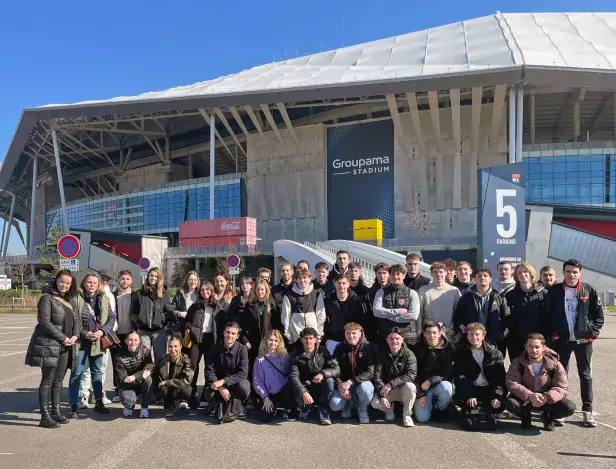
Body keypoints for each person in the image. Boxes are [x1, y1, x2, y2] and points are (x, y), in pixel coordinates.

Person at [546, 259, 604, 427]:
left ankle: (588, 411)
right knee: (558, 376)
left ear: (580, 273)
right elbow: (547, 316)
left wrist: (592, 335)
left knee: (585, 375)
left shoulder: (588, 290)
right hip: (561, 340)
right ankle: (560, 410)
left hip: (583, 341)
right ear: (563, 272)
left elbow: (598, 316)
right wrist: (553, 336)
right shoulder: (555, 291)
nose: (571, 274)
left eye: (574, 272)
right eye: (568, 271)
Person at [26, 270, 79, 428]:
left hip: (65, 347)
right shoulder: (46, 298)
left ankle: (55, 412)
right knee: (47, 381)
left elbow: (76, 322)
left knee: (58, 381)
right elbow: (45, 322)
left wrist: (75, 336)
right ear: (56, 280)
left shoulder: (69, 302)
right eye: (62, 281)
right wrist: (63, 338)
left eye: (68, 283)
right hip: (49, 346)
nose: (64, 285)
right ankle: (45, 416)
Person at [69, 273, 116, 418]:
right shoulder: (76, 299)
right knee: (77, 373)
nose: (92, 285)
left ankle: (99, 403)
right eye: (89, 282)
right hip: (81, 342)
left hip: (97, 342)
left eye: (95, 283)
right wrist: (84, 333)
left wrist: (102, 332)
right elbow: (73, 320)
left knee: (97, 373)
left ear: (99, 284)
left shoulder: (104, 298)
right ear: (83, 283)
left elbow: (111, 317)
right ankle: (74, 406)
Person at [505, 333, 576, 431]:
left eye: (537, 347)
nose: (534, 350)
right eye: (530, 346)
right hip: (526, 398)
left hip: (547, 399)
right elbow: (512, 382)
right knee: (510, 403)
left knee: (569, 407)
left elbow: (562, 387)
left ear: (543, 348)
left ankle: (548, 416)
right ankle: (525, 415)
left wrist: (546, 397)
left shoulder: (555, 364)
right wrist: (530, 395)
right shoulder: (518, 362)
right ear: (526, 347)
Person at [453, 268, 511, 355]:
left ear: (490, 279)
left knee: (495, 367)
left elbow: (507, 318)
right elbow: (458, 318)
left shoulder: (499, 297)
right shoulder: (466, 298)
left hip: (495, 341)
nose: (482, 278)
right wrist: (465, 332)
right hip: (472, 341)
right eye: (479, 276)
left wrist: (502, 334)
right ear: (475, 279)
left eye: (485, 276)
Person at [454, 323, 506, 417]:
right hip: (472, 387)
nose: (474, 337)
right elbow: (459, 375)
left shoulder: (494, 353)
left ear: (483, 335)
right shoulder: (462, 352)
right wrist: (469, 394)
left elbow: (500, 377)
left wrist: (496, 396)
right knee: (465, 404)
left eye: (477, 334)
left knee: (498, 406)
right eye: (471, 334)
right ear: (467, 336)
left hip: (488, 388)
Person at [289, 327, 339, 425]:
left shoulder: (323, 352)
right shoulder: (295, 354)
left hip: (320, 385)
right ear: (302, 340)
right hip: (305, 386)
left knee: (330, 381)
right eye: (306, 338)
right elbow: (293, 375)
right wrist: (303, 392)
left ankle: (323, 409)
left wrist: (323, 374)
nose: (308, 341)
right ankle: (306, 406)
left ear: (316, 339)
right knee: (293, 385)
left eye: (311, 338)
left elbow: (336, 369)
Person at [371, 326, 418, 427]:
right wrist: (382, 396)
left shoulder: (409, 354)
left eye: (397, 339)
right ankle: (389, 407)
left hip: (402, 389)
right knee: (374, 403)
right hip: (387, 389)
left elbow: (411, 375)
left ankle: (407, 415)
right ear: (387, 340)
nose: (394, 341)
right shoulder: (382, 354)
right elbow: (377, 376)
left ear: (402, 340)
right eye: (391, 339)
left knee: (411, 386)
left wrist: (391, 384)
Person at [204, 322, 251, 423]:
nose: (230, 335)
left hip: (235, 383)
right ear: (224, 333)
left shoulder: (242, 350)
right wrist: (220, 387)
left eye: (233, 333)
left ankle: (240, 405)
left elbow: (243, 373)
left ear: (237, 336)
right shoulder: (213, 348)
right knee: (208, 393)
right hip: (218, 384)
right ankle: (216, 403)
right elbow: (209, 371)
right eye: (228, 332)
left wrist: (224, 381)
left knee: (245, 387)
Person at [240, 279, 276, 403]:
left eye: (262, 289)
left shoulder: (272, 305)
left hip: (267, 344)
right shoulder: (249, 306)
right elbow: (242, 327)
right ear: (254, 291)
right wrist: (245, 340)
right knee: (253, 369)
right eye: (258, 289)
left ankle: (267, 395)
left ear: (266, 290)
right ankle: (254, 395)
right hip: (253, 344)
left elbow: (276, 326)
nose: (260, 292)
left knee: (267, 369)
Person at [330, 323, 375, 424]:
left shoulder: (367, 347)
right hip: (344, 384)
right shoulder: (340, 347)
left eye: (354, 333)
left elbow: (371, 372)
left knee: (366, 390)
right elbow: (334, 369)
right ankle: (348, 405)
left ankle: (362, 410)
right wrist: (340, 385)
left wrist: (351, 381)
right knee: (335, 405)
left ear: (360, 333)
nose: (351, 336)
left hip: (361, 383)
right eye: (348, 333)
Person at [183, 281, 217, 414]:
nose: (205, 293)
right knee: (193, 367)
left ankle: (206, 397)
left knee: (209, 368)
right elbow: (186, 321)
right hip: (196, 339)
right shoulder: (195, 306)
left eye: (207, 290)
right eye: (202, 290)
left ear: (211, 291)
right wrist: (191, 329)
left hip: (210, 339)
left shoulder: (216, 306)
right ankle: (189, 396)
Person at [413, 321, 455, 423]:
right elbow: (413, 373)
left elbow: (449, 372)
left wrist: (431, 381)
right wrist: (420, 394)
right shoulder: (417, 348)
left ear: (440, 333)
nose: (432, 336)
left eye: (434, 333)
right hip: (422, 387)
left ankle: (441, 409)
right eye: (428, 332)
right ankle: (428, 406)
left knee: (447, 388)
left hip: (438, 384)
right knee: (422, 419)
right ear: (424, 334)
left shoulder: (448, 348)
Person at [505, 263, 547, 360]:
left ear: (531, 274)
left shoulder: (543, 293)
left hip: (538, 341)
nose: (522, 274)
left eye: (525, 271)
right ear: (516, 276)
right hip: (516, 340)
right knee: (519, 369)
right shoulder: (510, 296)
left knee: (538, 370)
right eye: (519, 272)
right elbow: (507, 318)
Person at [130, 267, 174, 361]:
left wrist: (161, 320)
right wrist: (137, 324)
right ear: (148, 276)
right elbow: (133, 312)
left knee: (161, 359)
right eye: (151, 275)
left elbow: (169, 312)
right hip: (143, 332)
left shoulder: (164, 294)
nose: (153, 278)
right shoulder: (139, 294)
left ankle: (160, 376)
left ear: (159, 278)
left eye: (156, 276)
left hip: (159, 331)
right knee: (145, 359)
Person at [373, 264, 420, 346]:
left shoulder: (412, 293)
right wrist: (398, 311)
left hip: (407, 337)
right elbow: (376, 311)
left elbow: (413, 316)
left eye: (398, 274)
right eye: (392, 274)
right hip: (386, 336)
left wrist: (391, 317)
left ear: (404, 275)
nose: (395, 277)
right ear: (389, 276)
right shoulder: (381, 292)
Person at [253, 330, 293, 422]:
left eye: (276, 340)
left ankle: (286, 408)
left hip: (283, 392)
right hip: (269, 393)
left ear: (279, 342)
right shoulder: (259, 360)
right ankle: (275, 408)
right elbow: (257, 381)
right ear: (266, 341)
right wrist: (265, 398)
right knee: (265, 418)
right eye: (270, 340)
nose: (273, 343)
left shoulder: (285, 357)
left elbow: (291, 375)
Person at [281, 268, 326, 346]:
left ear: (310, 279)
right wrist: (288, 335)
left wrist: (319, 334)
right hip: (296, 337)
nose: (302, 280)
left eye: (305, 278)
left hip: (312, 337)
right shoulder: (289, 296)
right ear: (296, 280)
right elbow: (285, 317)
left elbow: (321, 315)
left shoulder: (316, 294)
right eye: (300, 278)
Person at [418, 262, 461, 341]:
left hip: (449, 334)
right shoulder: (423, 290)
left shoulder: (454, 291)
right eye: (435, 272)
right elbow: (419, 313)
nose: (438, 274)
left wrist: (459, 333)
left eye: (441, 272)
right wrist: (419, 331)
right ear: (431, 273)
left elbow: (459, 314)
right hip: (429, 334)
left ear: (445, 273)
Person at [115, 331, 154, 418]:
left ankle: (144, 408)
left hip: (140, 382)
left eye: (136, 340)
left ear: (139, 341)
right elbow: (123, 379)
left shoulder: (145, 351)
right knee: (129, 400)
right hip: (127, 385)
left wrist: (135, 377)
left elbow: (150, 367)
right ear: (125, 341)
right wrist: (140, 376)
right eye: (130, 340)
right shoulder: (119, 356)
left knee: (148, 380)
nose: (133, 343)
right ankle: (129, 406)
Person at [156, 334, 195, 417]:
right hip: (170, 389)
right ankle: (169, 406)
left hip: (182, 387)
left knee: (187, 390)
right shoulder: (163, 360)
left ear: (181, 347)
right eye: (170, 346)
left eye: (175, 346)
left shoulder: (187, 360)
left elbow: (187, 381)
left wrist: (169, 382)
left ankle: (193, 404)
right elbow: (157, 375)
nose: (173, 349)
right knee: (162, 387)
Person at [111, 270, 135, 402]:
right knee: (117, 362)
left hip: (132, 333)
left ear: (131, 280)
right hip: (116, 334)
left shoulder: (136, 296)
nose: (124, 281)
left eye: (127, 279)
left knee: (133, 362)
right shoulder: (112, 296)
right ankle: (118, 389)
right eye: (122, 279)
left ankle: (133, 389)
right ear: (118, 280)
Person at [348, 262, 373, 327]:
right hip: (348, 324)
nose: (353, 273)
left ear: (360, 273)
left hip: (363, 324)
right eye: (351, 271)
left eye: (356, 271)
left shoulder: (367, 291)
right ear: (347, 272)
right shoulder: (344, 290)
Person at [272, 261, 294, 329]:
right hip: (279, 325)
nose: (285, 272)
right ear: (280, 273)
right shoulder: (274, 290)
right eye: (283, 271)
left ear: (292, 272)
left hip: (295, 325)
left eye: (287, 270)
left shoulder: (297, 288)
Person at [212, 272, 236, 338]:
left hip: (226, 334)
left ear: (226, 282)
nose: (219, 283)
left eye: (221, 281)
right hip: (211, 332)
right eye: (217, 281)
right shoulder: (210, 296)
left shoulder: (232, 297)